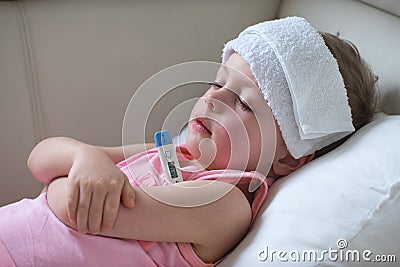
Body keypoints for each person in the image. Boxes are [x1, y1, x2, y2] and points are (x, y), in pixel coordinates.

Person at [0, 17, 377, 267]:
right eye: (217, 83)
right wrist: (83, 156)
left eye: (243, 103)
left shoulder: (223, 205)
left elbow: (70, 206)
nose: (213, 99)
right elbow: (40, 158)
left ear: (289, 160)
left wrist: (82, 169)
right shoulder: (175, 154)